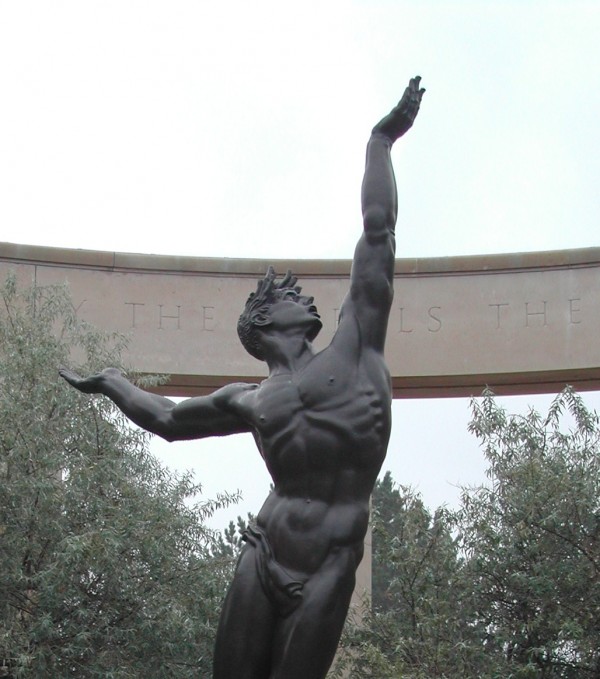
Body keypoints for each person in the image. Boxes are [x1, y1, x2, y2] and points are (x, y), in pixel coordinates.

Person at [60, 76, 425, 679]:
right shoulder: (250, 399)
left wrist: (380, 141)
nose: (301, 292)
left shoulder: (356, 347)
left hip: (331, 562)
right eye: (287, 294)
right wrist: (111, 381)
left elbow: (378, 233)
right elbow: (170, 419)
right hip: (264, 550)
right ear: (265, 322)